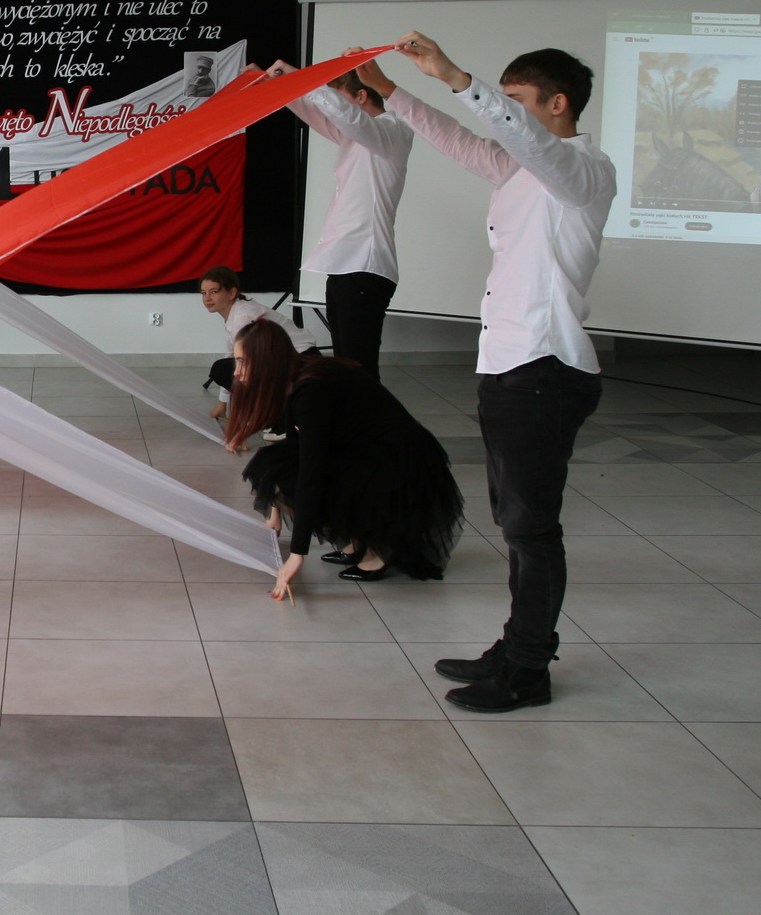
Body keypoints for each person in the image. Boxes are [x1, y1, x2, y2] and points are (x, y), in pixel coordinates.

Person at [355, 35, 615, 713]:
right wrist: (390, 91)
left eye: (518, 101)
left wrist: (454, 76)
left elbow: (521, 139)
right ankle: (516, 646)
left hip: (544, 370)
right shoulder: (521, 170)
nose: (507, 113)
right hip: (509, 366)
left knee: (532, 531)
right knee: (517, 526)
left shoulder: (584, 171)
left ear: (558, 105)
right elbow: (456, 140)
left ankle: (528, 670)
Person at [228, 320, 462, 598]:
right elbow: (294, 450)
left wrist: (297, 553)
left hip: (399, 465)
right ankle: (359, 541)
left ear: (268, 361)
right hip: (369, 452)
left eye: (243, 362)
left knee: (300, 477)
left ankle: (377, 550)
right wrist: (274, 507)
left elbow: (311, 472)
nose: (237, 372)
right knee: (273, 463)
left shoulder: (311, 389)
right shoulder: (299, 377)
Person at [262, 57, 414, 380]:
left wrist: (301, 78)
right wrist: (278, 86)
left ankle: (369, 415)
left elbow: (344, 115)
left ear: (361, 96)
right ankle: (352, 415)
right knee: (347, 368)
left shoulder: (391, 131)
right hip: (346, 267)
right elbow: (317, 115)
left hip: (365, 268)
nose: (335, 108)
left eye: (340, 97)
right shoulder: (356, 138)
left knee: (359, 370)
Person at [199, 266, 317, 424]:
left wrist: (241, 420)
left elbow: (251, 363)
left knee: (226, 369)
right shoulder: (235, 314)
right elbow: (232, 354)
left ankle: (281, 421)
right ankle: (277, 416)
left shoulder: (243, 316)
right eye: (203, 293)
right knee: (224, 367)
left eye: (214, 292)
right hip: (288, 359)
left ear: (232, 293)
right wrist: (222, 403)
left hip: (301, 360)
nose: (207, 298)